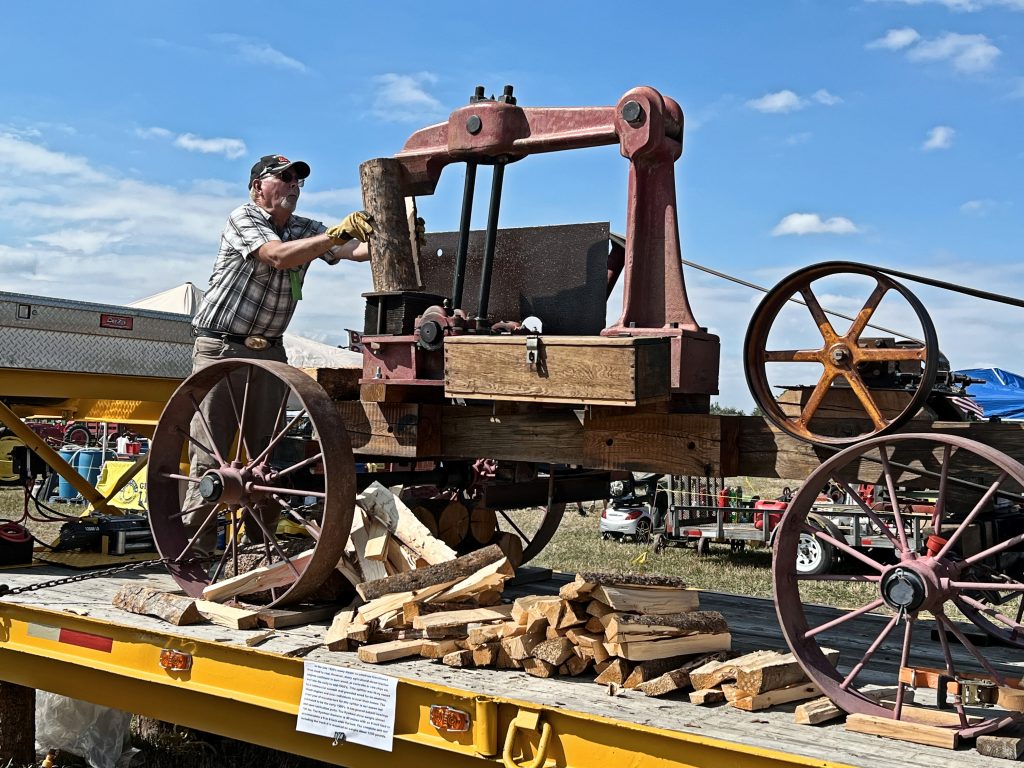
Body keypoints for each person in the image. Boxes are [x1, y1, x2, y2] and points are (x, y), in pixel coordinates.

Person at [182, 154, 374, 554]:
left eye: (298, 180)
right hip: (221, 346)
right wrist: (336, 235)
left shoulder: (306, 229)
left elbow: (354, 251)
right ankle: (190, 553)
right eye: (284, 178)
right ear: (258, 188)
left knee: (265, 460)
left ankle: (261, 551)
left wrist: (392, 234)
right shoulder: (243, 218)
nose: (293, 185)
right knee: (209, 455)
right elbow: (276, 256)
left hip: (269, 351)